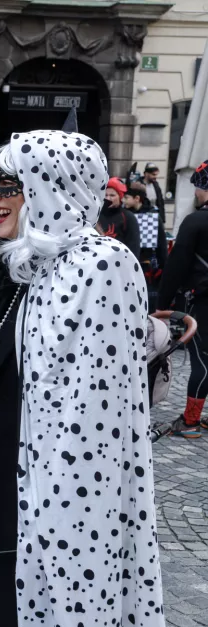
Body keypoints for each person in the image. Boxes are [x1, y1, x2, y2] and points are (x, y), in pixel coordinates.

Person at [0, 131, 168, 627]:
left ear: (48, 187)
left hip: (64, 511)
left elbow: (96, 423)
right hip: (15, 486)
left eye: (6, 184)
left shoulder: (105, 264)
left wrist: (49, 521)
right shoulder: (36, 266)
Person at [156, 160, 208, 437]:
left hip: (201, 301)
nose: (196, 193)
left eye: (197, 187)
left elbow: (177, 264)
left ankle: (189, 422)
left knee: (202, 360)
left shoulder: (196, 220)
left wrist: (162, 302)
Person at [125, 183, 168, 307]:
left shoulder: (152, 215)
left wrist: (163, 267)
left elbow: (161, 243)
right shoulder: (124, 214)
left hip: (147, 265)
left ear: (137, 198)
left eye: (127, 197)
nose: (124, 200)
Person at [96, 176, 141, 257]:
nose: (108, 198)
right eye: (105, 195)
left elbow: (134, 248)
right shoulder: (96, 215)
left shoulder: (128, 217)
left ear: (120, 197)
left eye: (112, 195)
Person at [142, 162, 166, 229]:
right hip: (144, 218)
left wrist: (162, 220)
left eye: (156, 175)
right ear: (146, 174)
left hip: (156, 217)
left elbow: (161, 203)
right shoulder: (139, 185)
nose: (155, 177)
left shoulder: (156, 185)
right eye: (153, 175)